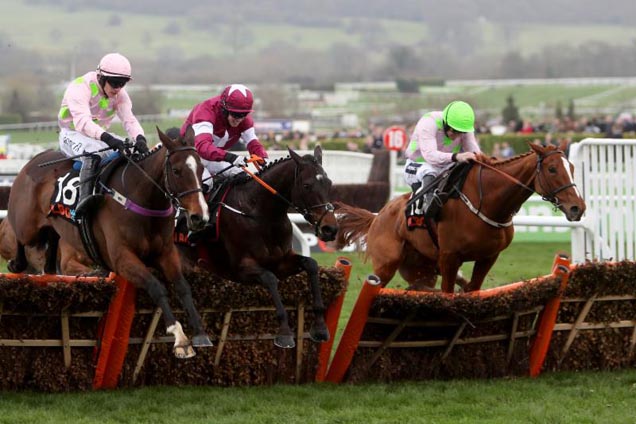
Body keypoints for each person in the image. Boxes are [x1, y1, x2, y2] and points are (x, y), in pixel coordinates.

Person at [58, 52, 149, 218]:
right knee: (92, 153)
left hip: (97, 135)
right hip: (72, 133)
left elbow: (129, 120)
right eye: (114, 83)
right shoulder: (80, 87)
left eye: (123, 83)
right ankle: (83, 203)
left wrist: (140, 138)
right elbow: (83, 123)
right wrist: (108, 138)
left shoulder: (121, 95)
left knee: (132, 149)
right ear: (100, 77)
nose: (118, 88)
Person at [180, 84, 268, 189]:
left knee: (241, 175)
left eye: (244, 115)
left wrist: (262, 158)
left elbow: (253, 142)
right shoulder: (205, 111)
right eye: (236, 114)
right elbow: (202, 147)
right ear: (224, 109)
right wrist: (230, 157)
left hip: (210, 156)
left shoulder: (244, 120)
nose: (239, 119)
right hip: (188, 153)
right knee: (206, 183)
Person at [403, 100, 481, 218]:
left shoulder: (464, 128)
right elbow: (430, 156)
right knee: (429, 171)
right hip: (417, 166)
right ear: (445, 123)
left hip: (445, 165)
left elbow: (473, 149)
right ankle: (428, 205)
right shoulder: (428, 122)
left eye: (461, 133)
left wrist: (483, 160)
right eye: (454, 131)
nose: (457, 136)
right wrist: (456, 156)